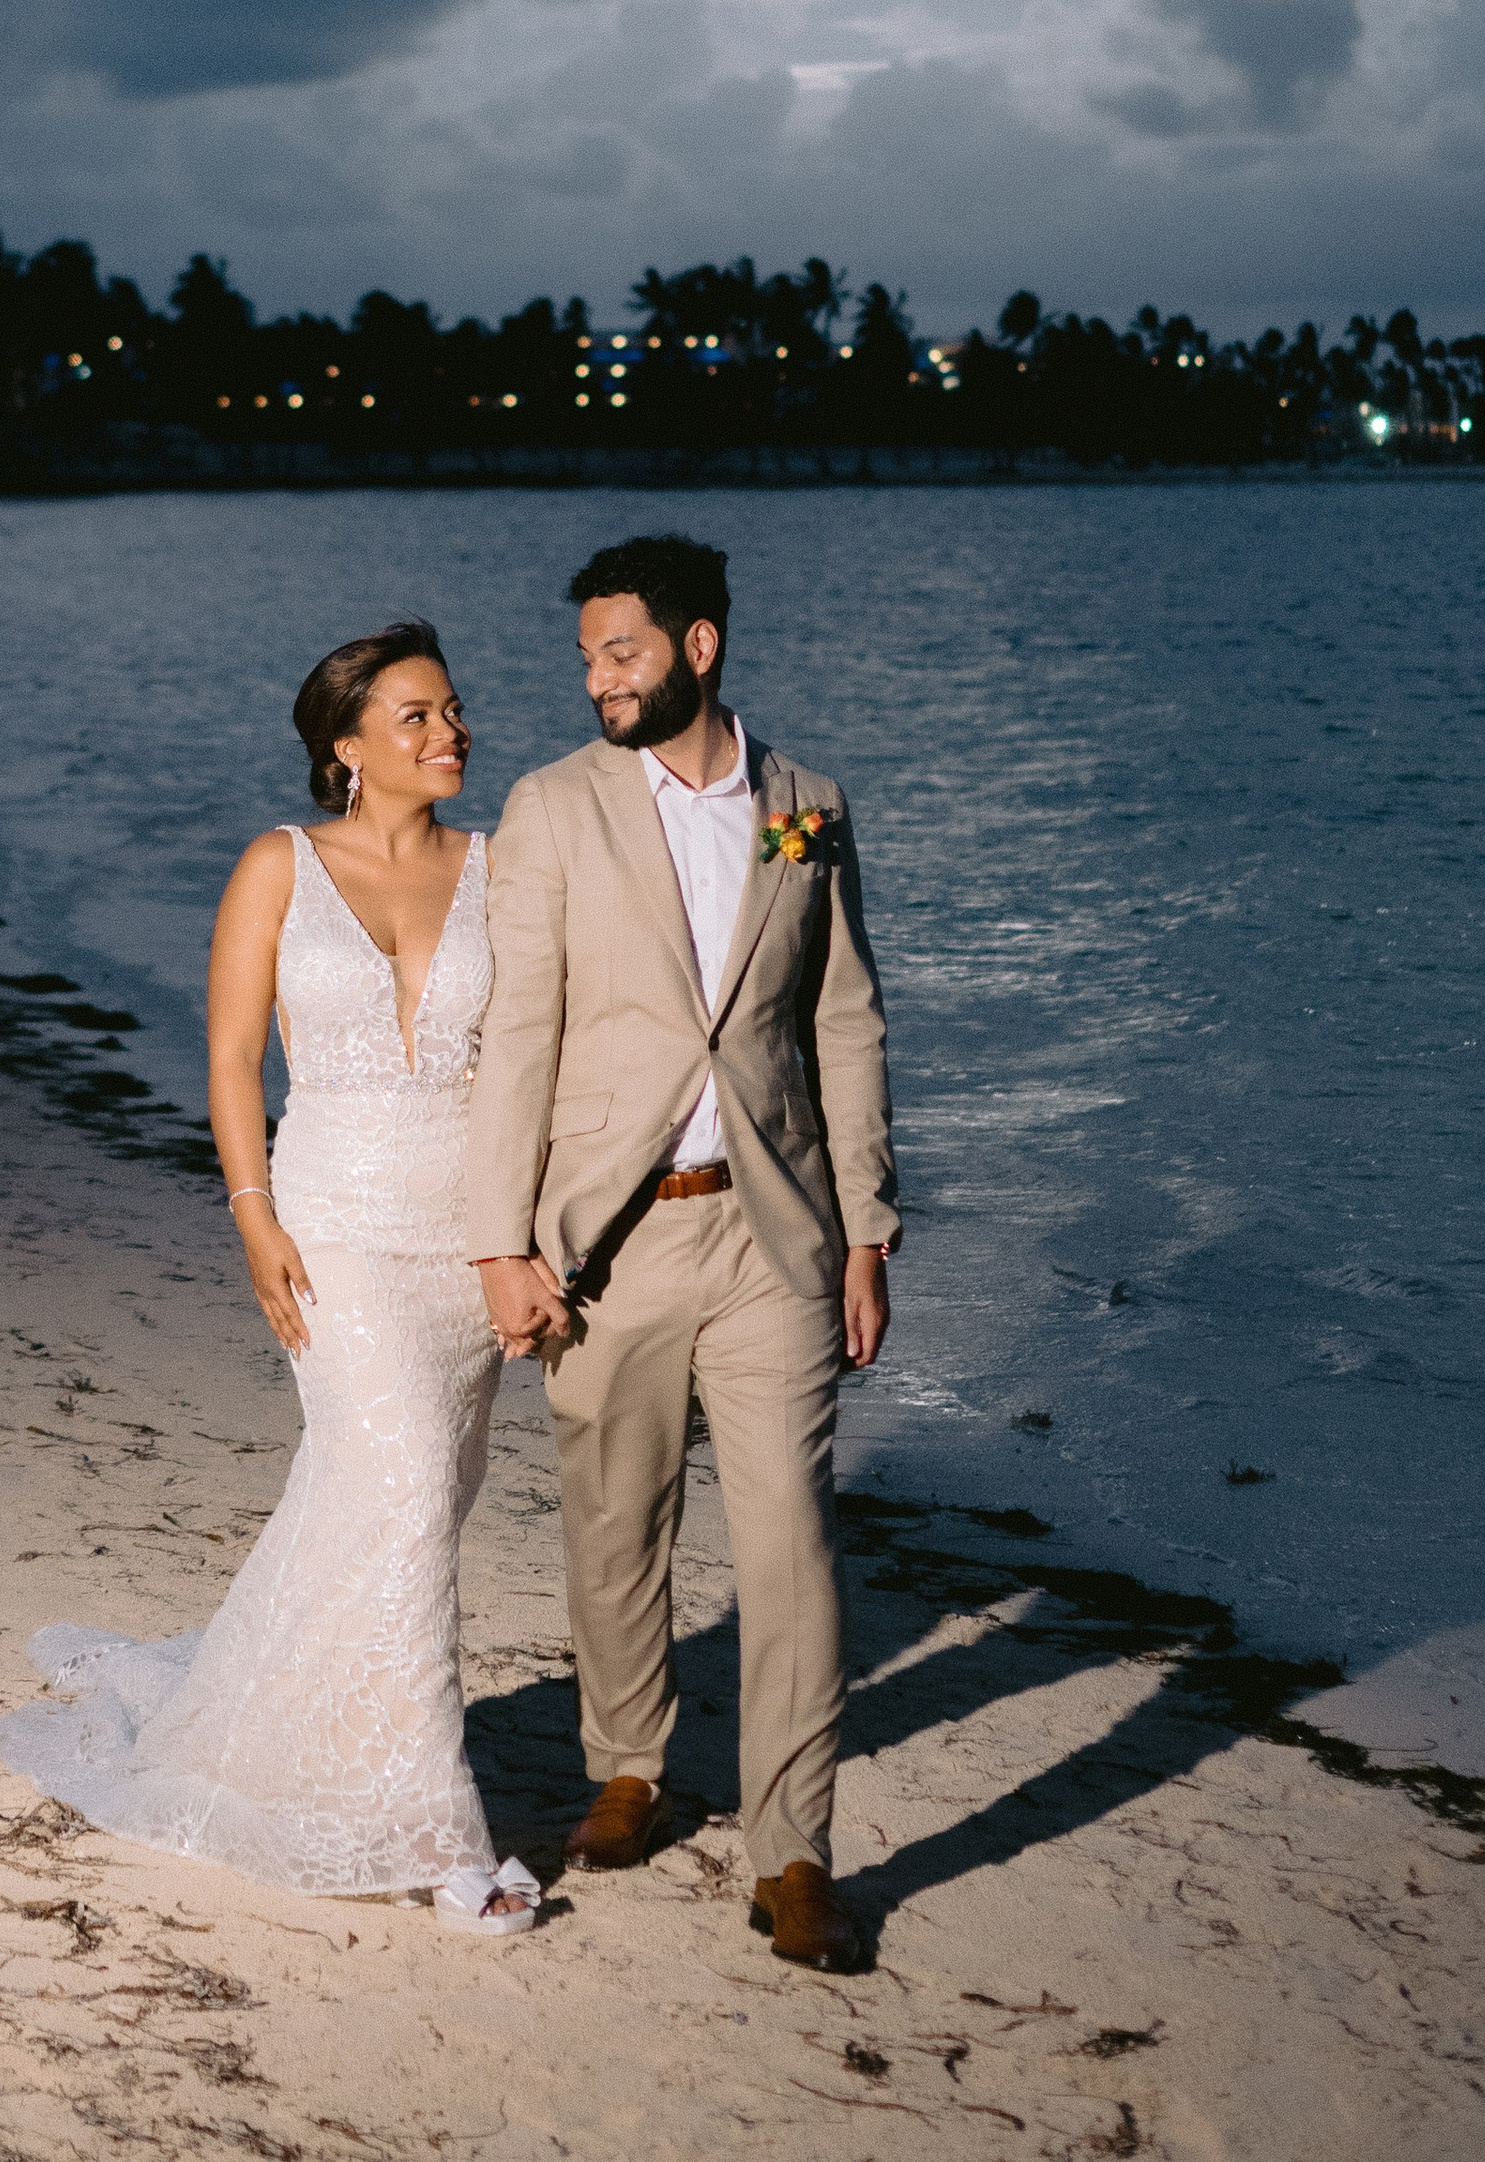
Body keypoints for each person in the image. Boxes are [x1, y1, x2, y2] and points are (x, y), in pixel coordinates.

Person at [0, 622, 540, 1937]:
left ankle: (269, 1721)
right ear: (344, 745)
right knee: (400, 1476)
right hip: (336, 1223)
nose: (447, 730)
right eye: (413, 715)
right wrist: (252, 1216)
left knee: (403, 1505)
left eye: (453, 708)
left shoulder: (504, 869)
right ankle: (432, 1829)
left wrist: (534, 1240)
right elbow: (235, 1057)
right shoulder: (276, 868)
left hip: (469, 1238)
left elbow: (544, 1057)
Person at [466, 532, 898, 1976]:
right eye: (589, 654)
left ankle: (795, 1851)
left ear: (697, 646)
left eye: (622, 650)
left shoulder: (809, 808)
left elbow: (843, 1018)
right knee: (615, 1518)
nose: (596, 678)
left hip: (775, 1232)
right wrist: (501, 1244)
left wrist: (870, 1225)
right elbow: (516, 1033)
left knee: (791, 1546)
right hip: (614, 1237)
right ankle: (632, 1759)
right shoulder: (551, 808)